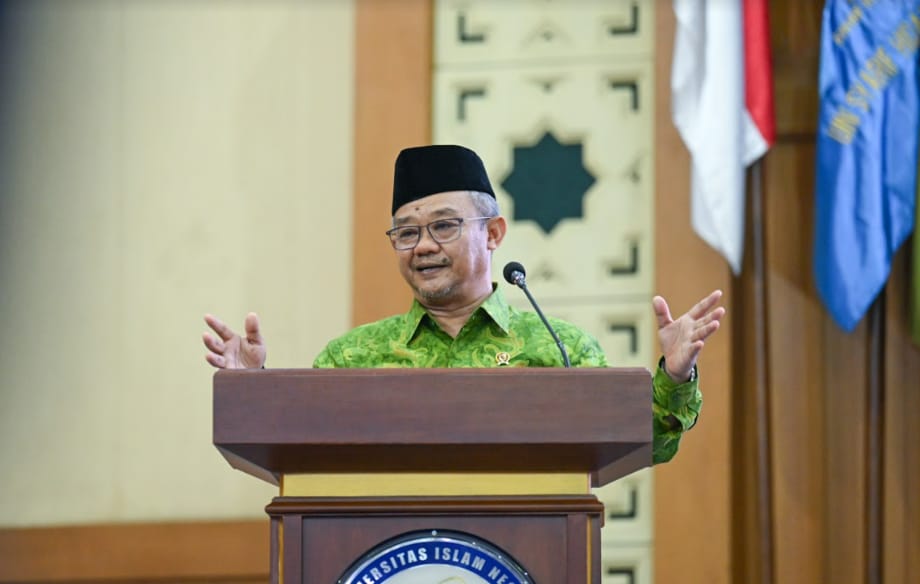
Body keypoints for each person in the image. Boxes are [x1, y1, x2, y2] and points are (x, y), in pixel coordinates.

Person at [203, 145, 724, 464]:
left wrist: (674, 380)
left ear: (493, 233)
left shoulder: (560, 349)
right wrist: (253, 392)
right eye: (406, 232)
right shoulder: (350, 359)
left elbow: (645, 446)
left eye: (444, 226)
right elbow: (299, 457)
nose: (424, 246)